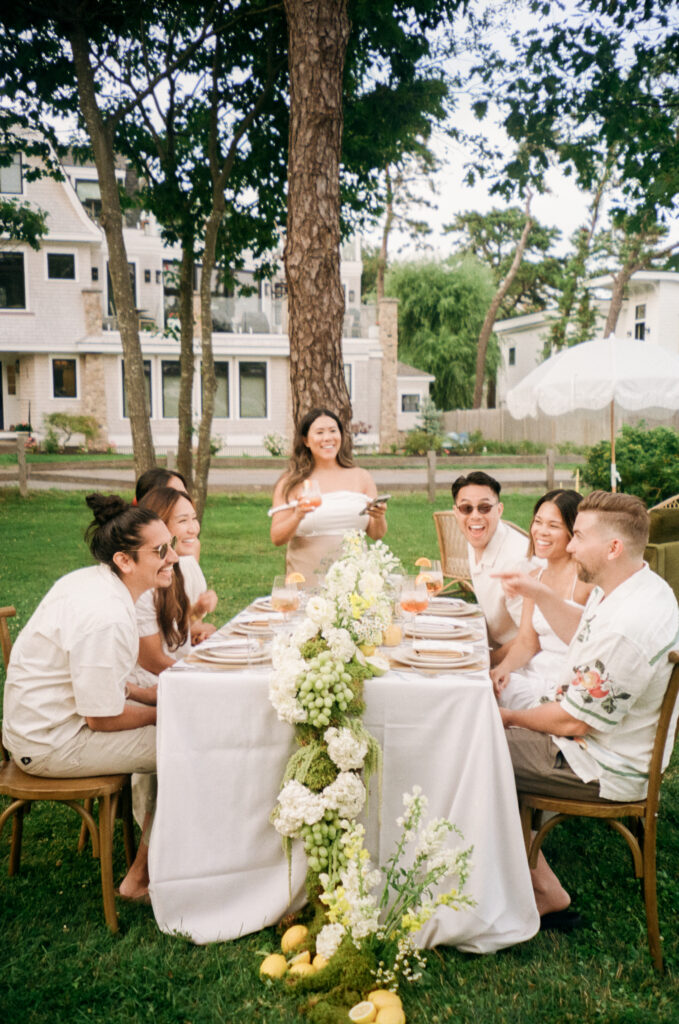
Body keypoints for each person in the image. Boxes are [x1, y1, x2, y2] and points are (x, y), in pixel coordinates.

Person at [497, 491, 679, 928]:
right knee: (475, 727)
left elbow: (571, 720)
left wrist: (504, 719)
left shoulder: (630, 625)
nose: (570, 546)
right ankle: (514, 874)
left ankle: (541, 890)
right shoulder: (630, 583)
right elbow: (583, 630)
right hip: (586, 736)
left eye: (578, 536)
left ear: (613, 548)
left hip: (600, 764)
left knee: (473, 744)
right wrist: (538, 592)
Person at [2, 493, 180, 901]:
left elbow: (94, 684)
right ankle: (139, 880)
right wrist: (161, 713)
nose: (173, 557)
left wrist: (149, 695)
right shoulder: (107, 616)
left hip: (52, 725)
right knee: (189, 747)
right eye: (161, 550)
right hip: (50, 743)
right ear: (124, 560)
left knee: (181, 734)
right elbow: (102, 719)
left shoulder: (95, 582)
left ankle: (168, 856)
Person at [490, 490, 593, 709]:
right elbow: (528, 642)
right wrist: (504, 668)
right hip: (532, 675)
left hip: (563, 686)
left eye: (553, 526)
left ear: (573, 532)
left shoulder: (586, 582)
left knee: (481, 701)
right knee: (480, 685)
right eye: (538, 522)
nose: (541, 532)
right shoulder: (535, 577)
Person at [270, 408, 387, 580]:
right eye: (319, 432)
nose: (328, 438)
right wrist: (297, 516)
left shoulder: (361, 477)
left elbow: (377, 534)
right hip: (306, 583)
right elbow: (277, 538)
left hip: (355, 585)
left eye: (333, 431)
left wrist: (379, 516)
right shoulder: (291, 483)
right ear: (306, 441)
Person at [132, 486, 217, 687]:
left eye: (193, 518)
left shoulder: (184, 565)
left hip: (175, 669)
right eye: (182, 521)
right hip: (149, 682)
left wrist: (196, 615)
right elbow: (152, 661)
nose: (193, 528)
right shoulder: (143, 582)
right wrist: (202, 677)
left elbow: (174, 623)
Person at [452, 471, 531, 657]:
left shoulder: (516, 561)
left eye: (484, 507)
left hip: (525, 662)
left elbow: (532, 637)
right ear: (456, 512)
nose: (475, 516)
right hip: (492, 646)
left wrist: (490, 662)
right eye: (466, 509)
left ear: (499, 510)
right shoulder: (476, 537)